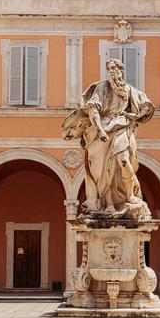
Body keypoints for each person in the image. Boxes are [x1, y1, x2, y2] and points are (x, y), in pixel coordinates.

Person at [62, 58, 155, 218]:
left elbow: (147, 106)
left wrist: (135, 115)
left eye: (114, 68)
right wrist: (100, 130)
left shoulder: (130, 90)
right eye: (109, 69)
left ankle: (129, 196)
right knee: (102, 171)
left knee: (124, 161)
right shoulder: (102, 88)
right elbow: (93, 110)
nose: (112, 71)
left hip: (121, 129)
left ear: (121, 70)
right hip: (101, 134)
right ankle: (108, 202)